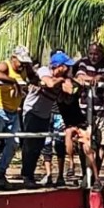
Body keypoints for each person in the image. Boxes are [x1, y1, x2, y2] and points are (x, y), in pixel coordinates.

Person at [0, 44, 34, 183]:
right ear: (13, 58)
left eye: (25, 62)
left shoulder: (25, 68)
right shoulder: (5, 65)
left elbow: (33, 77)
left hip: (13, 111)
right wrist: (13, 81)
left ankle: (1, 172)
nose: (23, 65)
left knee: (14, 142)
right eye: (21, 62)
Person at [20, 52, 71, 188]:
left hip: (45, 114)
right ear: (59, 66)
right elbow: (49, 83)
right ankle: (27, 176)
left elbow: (68, 93)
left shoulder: (64, 78)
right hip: (32, 112)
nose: (68, 69)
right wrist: (61, 80)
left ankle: (30, 176)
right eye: (66, 66)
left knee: (38, 146)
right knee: (30, 145)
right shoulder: (44, 70)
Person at [52, 50, 102, 187]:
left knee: (88, 147)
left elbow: (75, 90)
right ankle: (71, 165)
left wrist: (77, 83)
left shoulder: (72, 82)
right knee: (68, 134)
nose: (70, 68)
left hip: (79, 120)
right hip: (68, 122)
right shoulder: (56, 82)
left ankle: (96, 178)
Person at [74, 41, 104, 159]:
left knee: (102, 143)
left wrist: (102, 78)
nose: (93, 57)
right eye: (91, 54)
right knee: (83, 141)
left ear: (102, 53)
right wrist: (93, 78)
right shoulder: (84, 62)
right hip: (85, 108)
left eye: (96, 54)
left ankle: (96, 169)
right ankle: (85, 169)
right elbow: (80, 76)